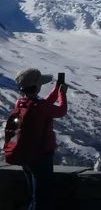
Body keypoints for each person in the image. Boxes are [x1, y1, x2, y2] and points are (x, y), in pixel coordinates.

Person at [14, 68, 68, 210]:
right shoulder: (39, 106)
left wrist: (55, 90)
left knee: (32, 193)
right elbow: (61, 110)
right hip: (40, 156)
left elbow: (45, 105)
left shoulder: (21, 103)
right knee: (41, 197)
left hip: (24, 154)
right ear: (37, 87)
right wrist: (62, 93)